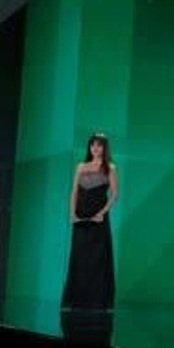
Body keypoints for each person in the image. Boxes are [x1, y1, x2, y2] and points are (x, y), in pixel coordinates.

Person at [62, 132, 118, 317]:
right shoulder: (81, 166)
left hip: (98, 219)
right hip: (81, 217)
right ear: (89, 147)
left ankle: (97, 302)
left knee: (98, 259)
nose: (96, 148)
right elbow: (74, 192)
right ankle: (77, 301)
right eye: (93, 144)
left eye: (99, 145)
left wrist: (101, 214)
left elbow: (115, 195)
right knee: (79, 257)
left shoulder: (110, 167)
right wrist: (72, 214)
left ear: (104, 148)